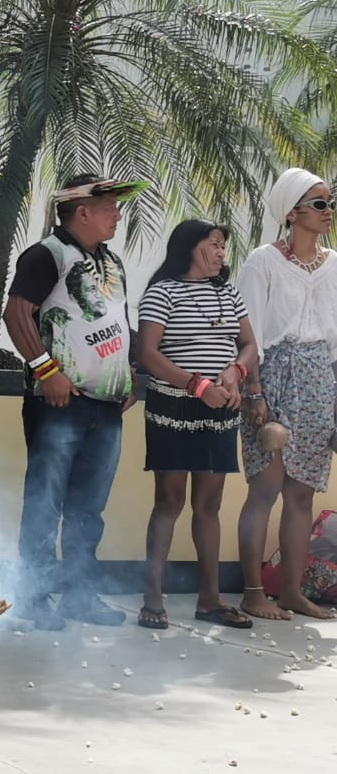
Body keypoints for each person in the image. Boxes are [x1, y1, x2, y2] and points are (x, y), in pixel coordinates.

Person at [4, 174, 147, 630]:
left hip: (106, 405)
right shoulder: (48, 254)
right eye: (110, 207)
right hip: (61, 404)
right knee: (46, 502)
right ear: (81, 209)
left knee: (89, 507)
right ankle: (32, 594)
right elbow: (16, 313)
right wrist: (47, 370)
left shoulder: (112, 262)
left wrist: (130, 373)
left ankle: (79, 595)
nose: (118, 215)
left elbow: (118, 322)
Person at [135, 219, 256, 629]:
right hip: (174, 409)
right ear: (189, 247)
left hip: (219, 412)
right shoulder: (162, 292)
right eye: (214, 244)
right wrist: (196, 384)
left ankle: (210, 599)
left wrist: (235, 372)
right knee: (169, 502)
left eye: (223, 246)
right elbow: (148, 354)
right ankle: (153, 597)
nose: (222, 253)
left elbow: (249, 345)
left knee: (209, 506)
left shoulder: (229, 293)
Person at [237, 168, 337, 621]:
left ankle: (293, 592)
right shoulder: (263, 261)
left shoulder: (334, 263)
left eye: (330, 202)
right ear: (292, 212)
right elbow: (248, 332)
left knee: (302, 494)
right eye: (319, 203)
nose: (328, 211)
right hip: (272, 376)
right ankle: (254, 592)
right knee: (266, 489)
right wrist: (253, 392)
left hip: (320, 378)